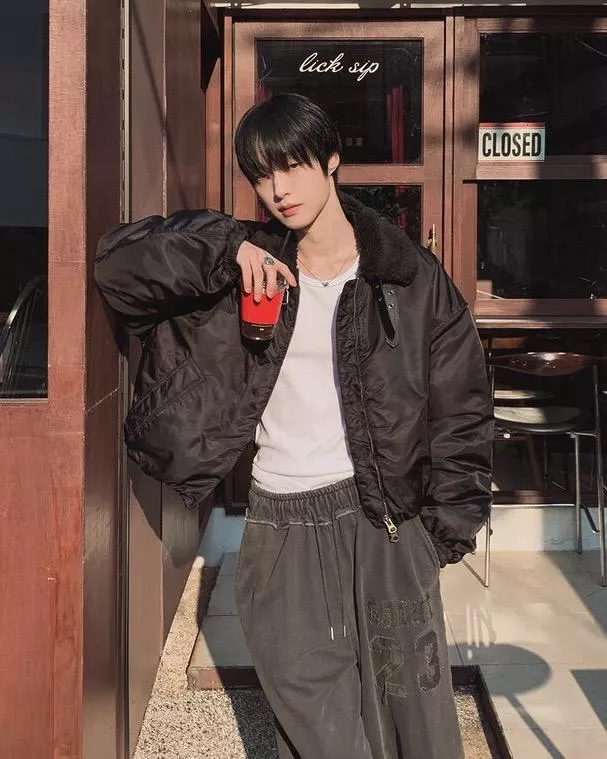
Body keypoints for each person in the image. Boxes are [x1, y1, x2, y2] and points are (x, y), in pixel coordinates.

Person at [95, 93, 493, 759]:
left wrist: (443, 531)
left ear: (331, 159)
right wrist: (225, 248)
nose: (278, 189)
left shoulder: (407, 277)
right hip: (280, 519)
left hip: (384, 521)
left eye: (291, 166)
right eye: (261, 175)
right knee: (314, 718)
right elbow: (116, 266)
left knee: (412, 717)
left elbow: (461, 405)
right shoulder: (244, 263)